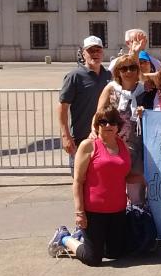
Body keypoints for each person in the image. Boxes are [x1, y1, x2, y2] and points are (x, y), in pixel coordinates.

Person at [48, 106, 136, 265]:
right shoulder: (89, 145)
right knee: (93, 259)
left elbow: (123, 174)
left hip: (118, 209)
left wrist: (145, 179)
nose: (108, 125)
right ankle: (65, 238)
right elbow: (78, 181)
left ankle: (87, 239)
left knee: (115, 253)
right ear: (96, 125)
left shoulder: (122, 145)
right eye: (103, 122)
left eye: (113, 122)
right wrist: (79, 212)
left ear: (118, 126)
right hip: (94, 211)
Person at [96, 54, 145, 204]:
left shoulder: (145, 90)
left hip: (137, 145)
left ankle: (135, 214)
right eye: (124, 69)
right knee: (114, 186)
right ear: (118, 72)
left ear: (137, 70)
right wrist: (94, 132)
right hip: (114, 145)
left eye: (132, 68)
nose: (128, 72)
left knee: (135, 189)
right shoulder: (111, 88)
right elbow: (99, 114)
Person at [58, 35, 112, 162]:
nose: (95, 54)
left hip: (104, 136)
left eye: (98, 50)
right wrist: (65, 136)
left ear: (102, 53)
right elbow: (62, 107)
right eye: (91, 51)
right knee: (80, 173)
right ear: (83, 54)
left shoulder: (108, 75)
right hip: (81, 138)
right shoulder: (74, 76)